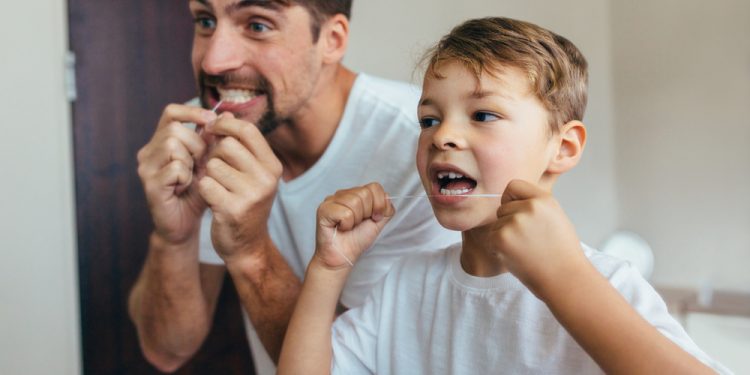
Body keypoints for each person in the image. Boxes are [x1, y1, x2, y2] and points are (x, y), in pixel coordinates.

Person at [278, 17, 732, 374]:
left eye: (484, 114)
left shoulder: (607, 283)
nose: (443, 137)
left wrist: (564, 278)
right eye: (429, 120)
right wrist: (328, 269)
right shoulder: (405, 286)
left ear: (563, 147)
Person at [128, 0, 459, 373]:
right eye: (205, 21)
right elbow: (166, 351)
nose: (212, 62)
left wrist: (250, 251)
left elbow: (363, 368)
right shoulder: (201, 136)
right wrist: (174, 237)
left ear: (332, 40)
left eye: (257, 25)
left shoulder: (428, 154)